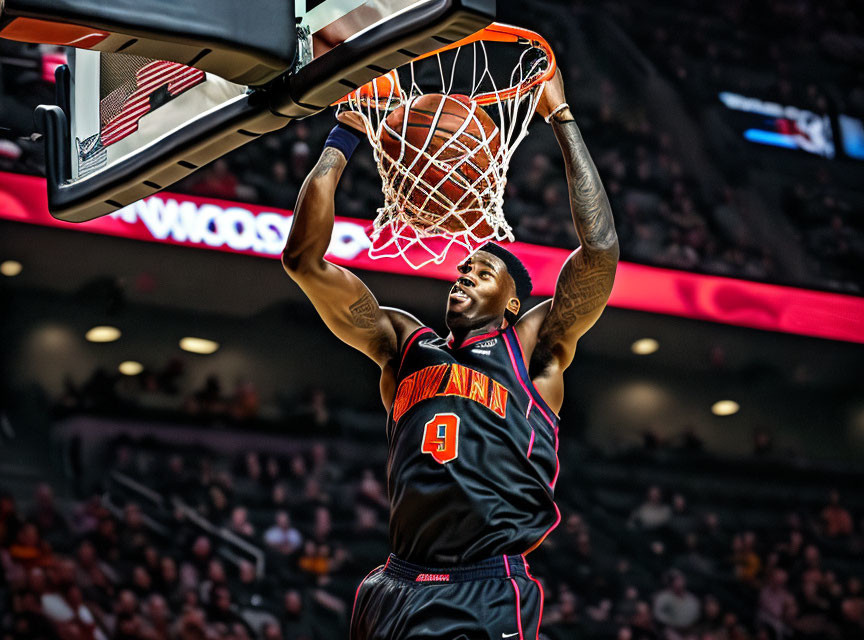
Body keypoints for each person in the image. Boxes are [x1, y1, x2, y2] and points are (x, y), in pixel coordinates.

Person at [281, 68, 619, 639]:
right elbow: (304, 262)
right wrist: (344, 135)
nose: (463, 275)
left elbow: (600, 249)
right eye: (464, 267)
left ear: (512, 305)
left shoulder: (534, 352)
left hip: (484, 587)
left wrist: (561, 117)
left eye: (483, 273)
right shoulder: (405, 345)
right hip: (394, 585)